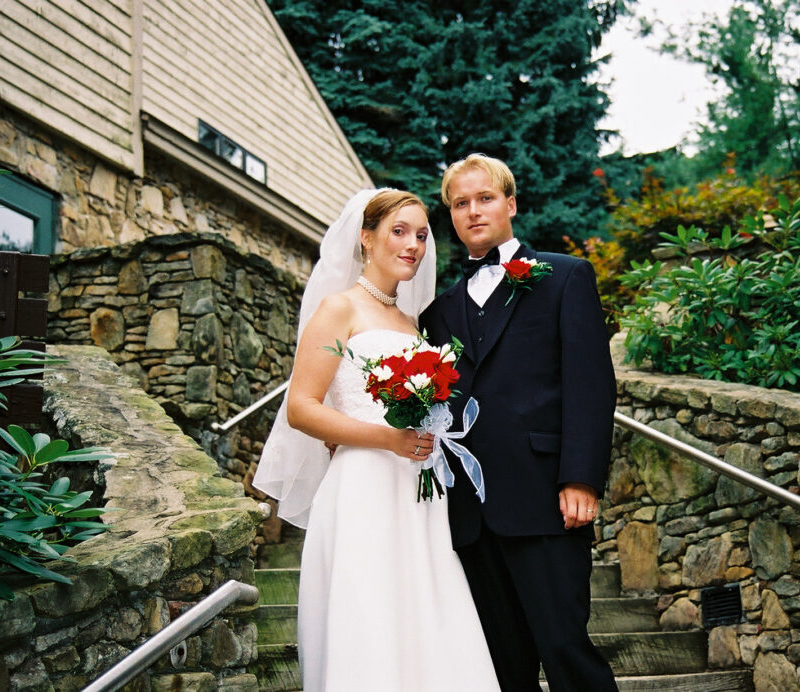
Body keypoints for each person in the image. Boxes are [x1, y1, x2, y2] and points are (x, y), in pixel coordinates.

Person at [253, 189, 499, 691]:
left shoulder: (414, 323)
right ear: (366, 238)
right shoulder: (337, 310)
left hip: (419, 489)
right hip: (364, 485)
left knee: (426, 611)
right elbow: (301, 407)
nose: (413, 245)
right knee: (368, 613)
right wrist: (386, 439)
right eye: (399, 231)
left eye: (423, 235)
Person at [420, 154, 618, 691]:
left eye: (484, 198)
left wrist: (580, 477)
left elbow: (591, 384)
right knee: (502, 668)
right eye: (460, 203)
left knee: (565, 650)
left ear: (510, 204)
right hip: (469, 515)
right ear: (451, 216)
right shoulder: (438, 313)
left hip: (545, 499)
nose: (473, 211)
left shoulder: (564, 277)